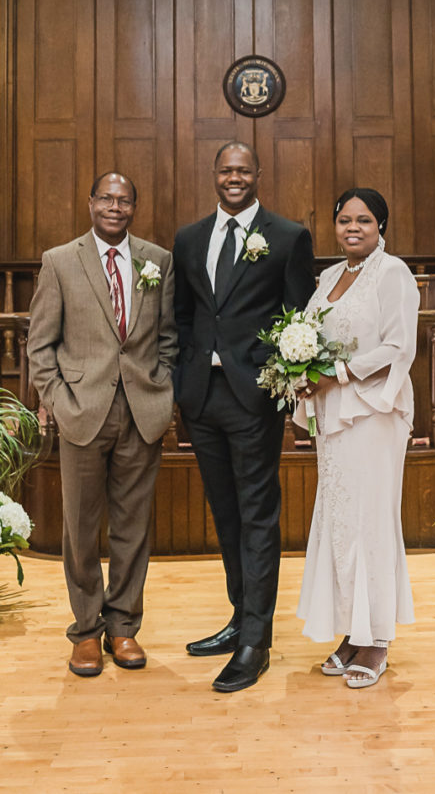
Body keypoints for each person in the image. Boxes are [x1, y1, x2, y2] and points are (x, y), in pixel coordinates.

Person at [173, 142, 316, 692]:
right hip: (201, 398)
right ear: (214, 175)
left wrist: (269, 375)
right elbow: (184, 315)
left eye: (243, 170)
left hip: (253, 396)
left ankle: (257, 639)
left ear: (258, 175)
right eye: (226, 170)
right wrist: (186, 375)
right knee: (225, 514)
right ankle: (239, 618)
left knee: (257, 515)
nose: (234, 177)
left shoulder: (286, 237)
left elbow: (299, 316)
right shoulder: (189, 238)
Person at [27, 171, 176, 678]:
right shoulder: (60, 261)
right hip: (82, 413)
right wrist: (60, 403)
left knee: (134, 527)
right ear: (90, 203)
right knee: (81, 528)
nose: (115, 206)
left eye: (124, 199)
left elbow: (169, 338)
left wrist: (164, 391)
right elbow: (40, 346)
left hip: (141, 412)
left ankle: (124, 627)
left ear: (135, 206)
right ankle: (86, 631)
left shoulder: (158, 261)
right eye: (106, 198)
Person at [294, 188, 419, 689]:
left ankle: (377, 639)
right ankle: (350, 629)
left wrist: (340, 373)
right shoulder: (327, 277)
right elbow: (307, 332)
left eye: (364, 220)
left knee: (370, 520)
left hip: (373, 410)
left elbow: (398, 344)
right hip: (333, 413)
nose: (353, 228)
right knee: (339, 518)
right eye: (344, 219)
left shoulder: (393, 274)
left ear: (381, 226)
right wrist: (299, 369)